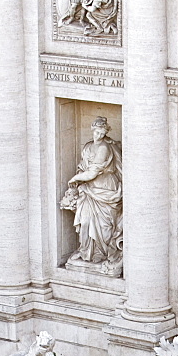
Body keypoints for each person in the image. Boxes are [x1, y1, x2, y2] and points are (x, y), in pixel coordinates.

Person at [61, 117, 123, 275]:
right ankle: (87, 252)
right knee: (86, 221)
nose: (99, 135)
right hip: (89, 189)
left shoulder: (104, 148)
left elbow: (93, 172)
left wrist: (75, 179)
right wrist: (79, 177)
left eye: (102, 132)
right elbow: (84, 166)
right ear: (92, 130)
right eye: (96, 131)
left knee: (105, 225)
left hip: (105, 187)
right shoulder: (88, 146)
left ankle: (104, 254)